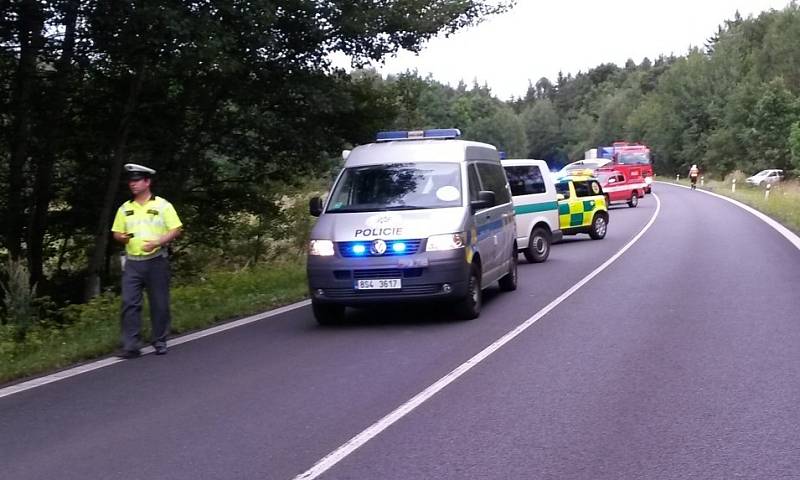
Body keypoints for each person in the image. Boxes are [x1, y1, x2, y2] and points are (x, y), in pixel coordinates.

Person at [111, 163, 182, 358]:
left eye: (136, 181)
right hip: (133, 262)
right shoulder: (125, 208)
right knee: (129, 302)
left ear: (147, 182)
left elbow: (176, 229)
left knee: (159, 303)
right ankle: (131, 345)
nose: (132, 184)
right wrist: (121, 238)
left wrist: (159, 241)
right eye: (130, 181)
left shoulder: (162, 205)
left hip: (156, 260)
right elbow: (116, 232)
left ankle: (159, 340)